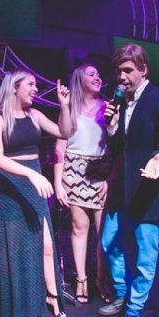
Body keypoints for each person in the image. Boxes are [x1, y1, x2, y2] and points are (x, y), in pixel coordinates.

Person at [96, 43, 159, 317]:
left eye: (128, 70)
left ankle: (134, 310)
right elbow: (120, 147)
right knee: (109, 243)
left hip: (149, 191)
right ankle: (122, 294)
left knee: (146, 258)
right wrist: (111, 126)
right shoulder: (121, 102)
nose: (121, 76)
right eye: (118, 71)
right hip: (123, 189)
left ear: (144, 70)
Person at [0, 71, 71, 317]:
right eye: (30, 84)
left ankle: (52, 295)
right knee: (16, 247)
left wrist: (64, 106)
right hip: (10, 186)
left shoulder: (35, 115)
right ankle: (21, 300)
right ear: (14, 87)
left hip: (35, 183)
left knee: (46, 244)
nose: (36, 89)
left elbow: (64, 132)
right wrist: (30, 174)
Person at [53, 63, 114, 304]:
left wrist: (110, 177)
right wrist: (58, 183)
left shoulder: (107, 107)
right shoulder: (70, 108)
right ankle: (82, 279)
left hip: (99, 170)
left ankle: (101, 278)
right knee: (79, 226)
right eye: (91, 74)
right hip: (73, 170)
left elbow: (116, 144)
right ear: (80, 79)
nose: (98, 77)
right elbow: (60, 146)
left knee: (103, 232)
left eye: (98, 74)